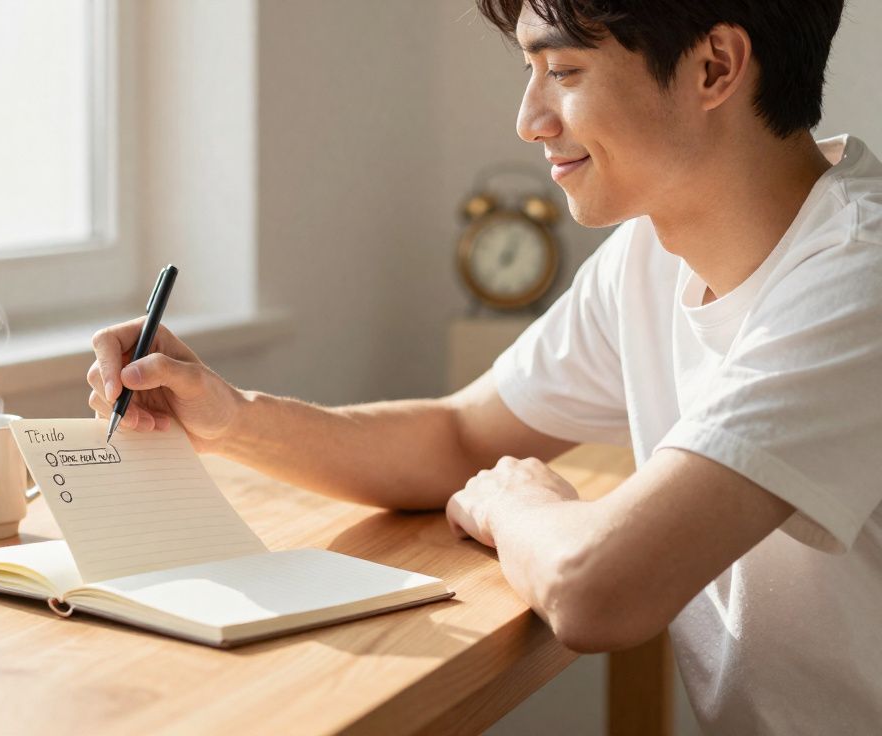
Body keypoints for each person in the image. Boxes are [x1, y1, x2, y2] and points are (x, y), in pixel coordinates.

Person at [86, 1, 881, 732]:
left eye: (563, 72)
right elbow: (460, 435)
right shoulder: (649, 255)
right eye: (529, 73)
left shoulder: (857, 279)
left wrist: (518, 507)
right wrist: (231, 415)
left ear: (714, 67)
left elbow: (599, 591)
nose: (530, 120)